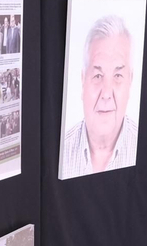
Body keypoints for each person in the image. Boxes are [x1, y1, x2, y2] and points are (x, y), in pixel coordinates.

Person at [59, 14, 138, 178]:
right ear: (82, 81)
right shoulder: (60, 152)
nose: (107, 94)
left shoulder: (146, 147)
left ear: (130, 82)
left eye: (117, 76)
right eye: (97, 76)